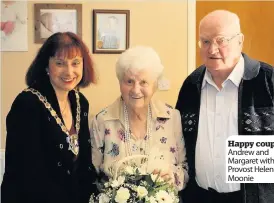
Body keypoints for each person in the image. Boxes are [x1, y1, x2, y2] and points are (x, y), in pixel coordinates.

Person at [176, 10, 274, 203]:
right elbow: (179, 141)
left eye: (221, 40)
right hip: (199, 197)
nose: (212, 50)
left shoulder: (267, 80)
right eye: (205, 41)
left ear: (240, 41)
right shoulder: (191, 85)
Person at [1, 32, 98, 203]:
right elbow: (27, 173)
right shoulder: (27, 104)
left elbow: (83, 162)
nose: (69, 72)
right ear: (46, 66)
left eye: (75, 63)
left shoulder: (80, 101)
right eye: (60, 63)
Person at [90, 46, 189, 191]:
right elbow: (93, 175)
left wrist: (172, 177)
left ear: (155, 85)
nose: (136, 90)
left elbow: (185, 168)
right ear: (119, 83)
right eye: (129, 81)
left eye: (143, 82)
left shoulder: (172, 118)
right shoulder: (102, 121)